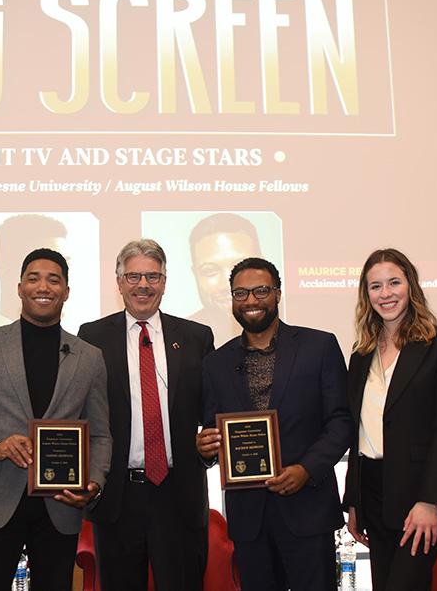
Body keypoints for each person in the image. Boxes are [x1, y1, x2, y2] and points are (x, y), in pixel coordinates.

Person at [0, 248, 111, 591]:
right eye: (33, 278)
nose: (42, 286)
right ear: (19, 287)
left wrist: (94, 481)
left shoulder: (89, 358)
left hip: (61, 504)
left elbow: (101, 436)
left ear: (66, 291)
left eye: (53, 279)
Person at [196, 257, 354, 591]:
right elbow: (213, 429)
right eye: (241, 293)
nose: (251, 300)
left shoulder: (318, 347)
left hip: (308, 510)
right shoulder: (215, 363)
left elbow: (341, 420)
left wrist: (307, 469)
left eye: (260, 290)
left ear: (278, 294)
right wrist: (205, 447)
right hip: (249, 519)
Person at [78, 239, 215, 591]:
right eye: (134, 276)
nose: (143, 285)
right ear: (119, 281)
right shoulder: (91, 337)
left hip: (179, 494)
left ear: (165, 282)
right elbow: (82, 412)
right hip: (118, 496)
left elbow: (212, 410)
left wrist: (212, 443)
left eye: (153, 276)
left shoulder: (197, 336)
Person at [342, 248, 437, 591]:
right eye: (375, 286)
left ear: (410, 285)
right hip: (372, 493)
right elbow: (358, 433)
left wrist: (429, 501)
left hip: (417, 494)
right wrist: (354, 501)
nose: (386, 293)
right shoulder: (360, 353)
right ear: (366, 295)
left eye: (394, 282)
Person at [0, 214, 69, 330]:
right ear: (5, 272)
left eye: (63, 268)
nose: (44, 288)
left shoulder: (81, 345)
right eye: (34, 277)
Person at [187, 213, 262, 343]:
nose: (227, 284)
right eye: (210, 270)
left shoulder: (294, 328)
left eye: (241, 266)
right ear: (196, 275)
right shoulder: (183, 336)